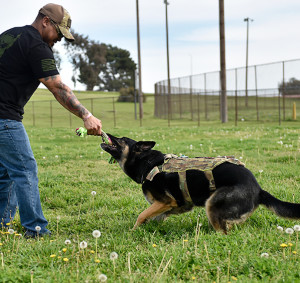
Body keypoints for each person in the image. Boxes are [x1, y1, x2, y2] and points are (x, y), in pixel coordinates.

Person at [0, 3, 102, 238]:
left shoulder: (10, 35)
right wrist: (86, 115)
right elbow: (57, 87)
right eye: (58, 32)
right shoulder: (37, 46)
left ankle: (2, 223)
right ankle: (36, 230)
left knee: (7, 172)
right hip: (4, 117)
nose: (58, 40)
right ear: (45, 21)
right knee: (25, 170)